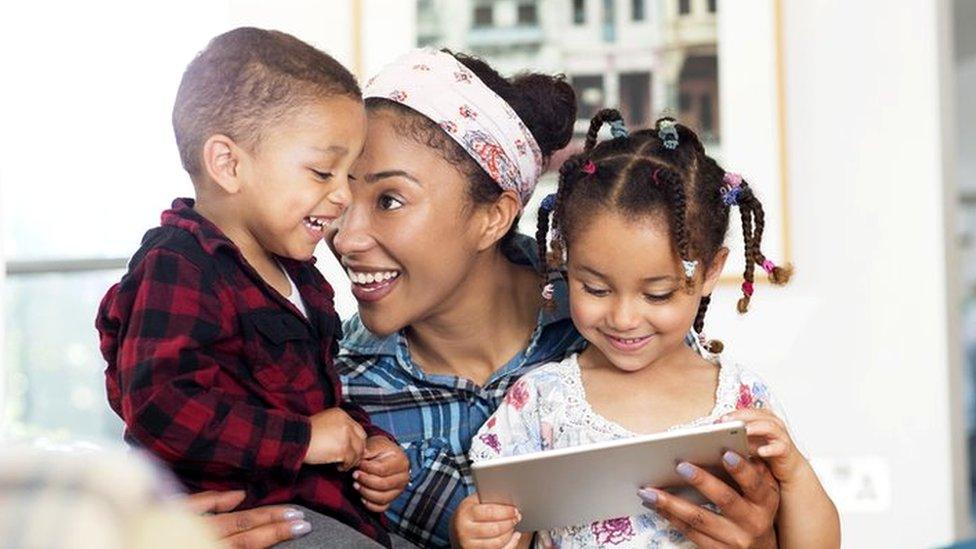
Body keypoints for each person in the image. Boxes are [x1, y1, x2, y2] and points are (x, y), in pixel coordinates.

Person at [334, 49, 783, 548]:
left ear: (494, 216)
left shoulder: (620, 334)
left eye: (389, 200)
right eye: (338, 194)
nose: (344, 237)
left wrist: (760, 537)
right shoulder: (332, 392)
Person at [461, 110, 841, 548]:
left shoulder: (743, 401)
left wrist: (794, 472)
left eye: (657, 295)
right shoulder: (541, 400)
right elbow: (503, 525)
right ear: (564, 260)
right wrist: (474, 532)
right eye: (595, 288)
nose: (623, 318)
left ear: (711, 272)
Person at [95, 27, 408, 548]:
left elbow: (303, 401)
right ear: (229, 164)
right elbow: (160, 405)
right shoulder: (177, 265)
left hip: (322, 510)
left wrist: (365, 443)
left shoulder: (301, 278)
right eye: (323, 171)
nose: (341, 197)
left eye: (348, 176)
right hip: (248, 518)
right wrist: (304, 440)